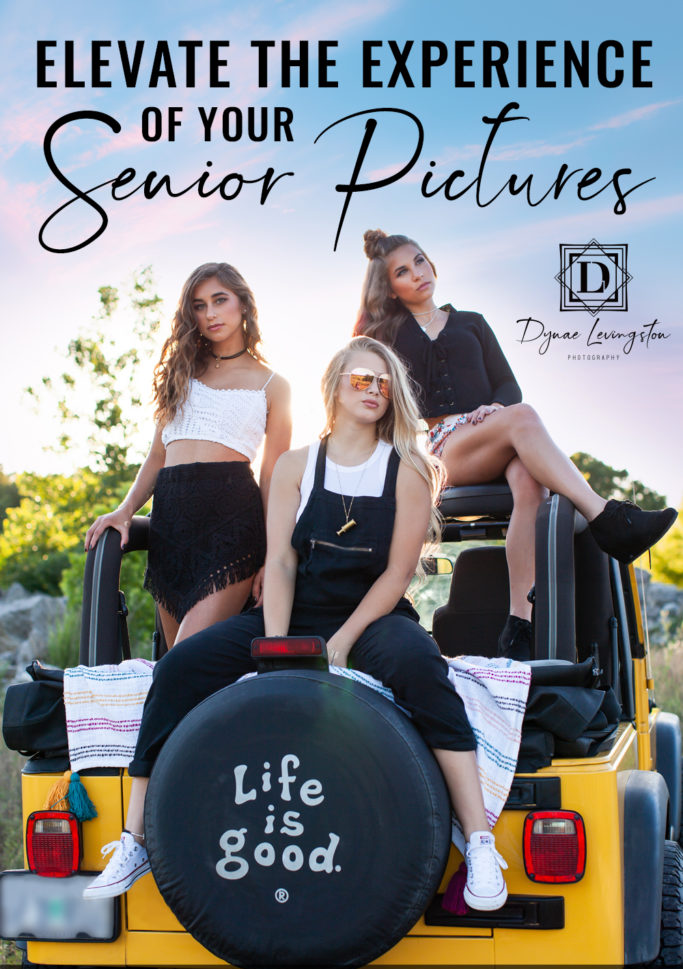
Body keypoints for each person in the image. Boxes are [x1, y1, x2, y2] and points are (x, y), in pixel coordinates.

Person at [84, 336, 509, 913]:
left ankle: (479, 842)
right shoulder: (295, 466)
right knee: (179, 667)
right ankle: (133, 841)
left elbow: (396, 575)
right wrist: (277, 647)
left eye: (384, 384)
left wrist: (340, 644)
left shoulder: (408, 468)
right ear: (334, 386)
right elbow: (280, 561)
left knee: (420, 668)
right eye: (362, 380)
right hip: (292, 607)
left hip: (371, 614)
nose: (375, 392)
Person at [356, 229, 677, 660]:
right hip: (445, 444)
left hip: (495, 430)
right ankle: (607, 517)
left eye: (419, 261)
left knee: (530, 480)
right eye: (402, 271)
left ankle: (520, 627)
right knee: (523, 419)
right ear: (390, 288)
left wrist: (495, 408)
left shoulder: (473, 322)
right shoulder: (388, 332)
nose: (417, 273)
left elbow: (510, 385)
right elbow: (368, 386)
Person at [85, 263, 292, 649]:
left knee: (185, 658)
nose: (210, 313)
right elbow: (157, 457)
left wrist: (271, 556)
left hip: (231, 527)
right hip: (171, 527)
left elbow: (273, 477)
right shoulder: (180, 373)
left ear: (243, 305)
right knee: (177, 664)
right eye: (199, 306)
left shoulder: (274, 385)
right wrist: (125, 510)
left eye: (219, 300)